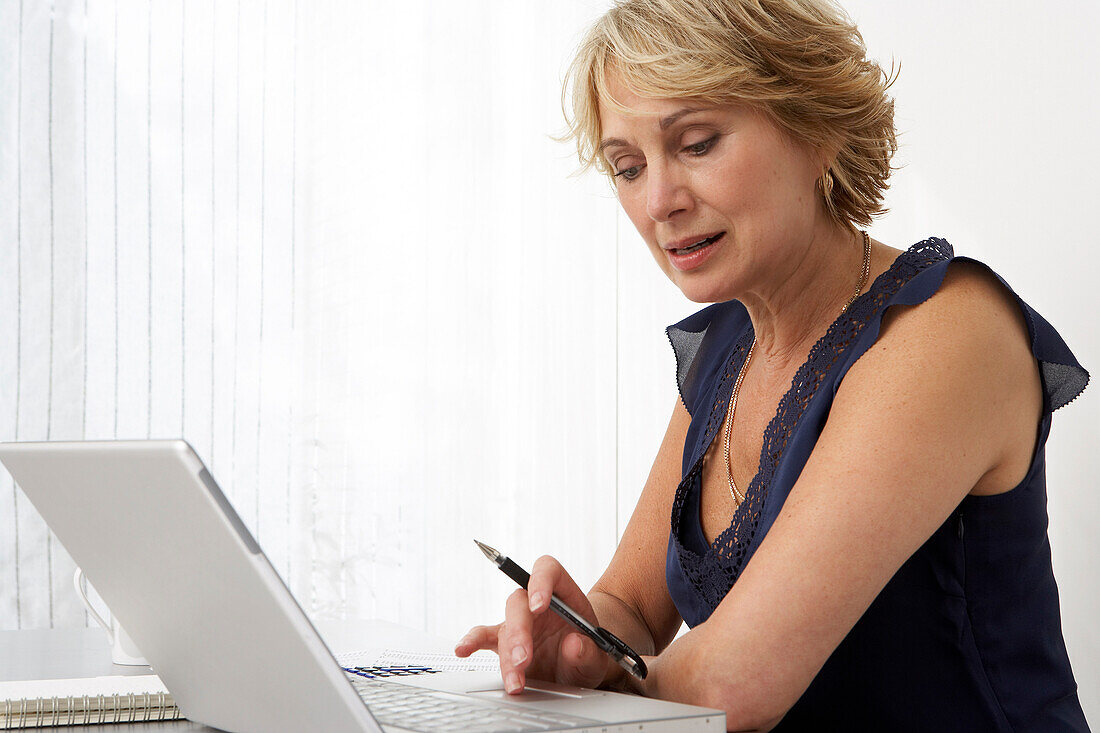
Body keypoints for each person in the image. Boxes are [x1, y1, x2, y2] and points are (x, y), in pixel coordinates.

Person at [455, 0, 1091, 729]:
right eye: (627, 167)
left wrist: (605, 687)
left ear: (815, 128)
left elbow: (733, 683)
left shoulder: (946, 331)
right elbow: (629, 606)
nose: (659, 200)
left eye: (696, 143)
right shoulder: (727, 343)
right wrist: (576, 642)